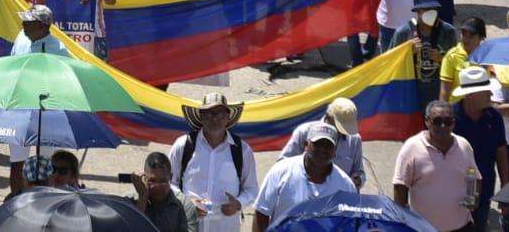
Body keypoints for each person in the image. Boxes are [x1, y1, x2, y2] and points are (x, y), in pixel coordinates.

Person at [168, 93, 257, 229]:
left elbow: (252, 189)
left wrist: (238, 203)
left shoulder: (242, 150)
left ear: (228, 118)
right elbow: (169, 183)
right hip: (188, 226)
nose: (215, 119)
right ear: (201, 117)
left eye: (220, 114)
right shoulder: (183, 146)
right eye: (209, 114)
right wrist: (187, 202)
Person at [392, 100, 479, 232]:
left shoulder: (464, 145)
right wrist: (402, 221)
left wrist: (474, 197)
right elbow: (400, 186)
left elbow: (474, 176)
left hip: (462, 227)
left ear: (454, 122)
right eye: (438, 121)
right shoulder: (411, 147)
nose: (443, 126)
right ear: (427, 121)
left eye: (448, 121)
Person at [253, 121, 356, 230]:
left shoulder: (346, 185)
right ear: (306, 145)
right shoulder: (280, 171)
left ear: (335, 151)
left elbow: (351, 223)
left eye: (328, 145)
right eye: (318, 144)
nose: (322, 149)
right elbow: (261, 213)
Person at [451, 66, 509, 232]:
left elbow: (502, 153)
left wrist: (505, 187)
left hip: (484, 189)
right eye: (486, 91)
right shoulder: (449, 119)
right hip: (454, 189)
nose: (491, 95)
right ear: (470, 94)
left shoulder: (495, 117)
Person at [390, 0, 458, 111]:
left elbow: (457, 64)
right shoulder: (403, 33)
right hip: (411, 96)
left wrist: (442, 58)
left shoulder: (448, 32)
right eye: (427, 10)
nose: (432, 13)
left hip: (438, 96)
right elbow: (390, 65)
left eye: (434, 9)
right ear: (417, 11)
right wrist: (408, 54)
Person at [278, 99, 364, 189]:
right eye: (340, 126)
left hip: (339, 197)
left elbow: (359, 172)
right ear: (329, 117)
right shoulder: (304, 132)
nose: (343, 131)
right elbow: (282, 165)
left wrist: (355, 181)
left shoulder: (354, 140)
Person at [132, 151, 199, 232]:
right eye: (152, 181)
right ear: (144, 178)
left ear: (170, 177)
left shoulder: (185, 207)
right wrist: (142, 199)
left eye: (163, 181)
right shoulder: (130, 203)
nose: (158, 187)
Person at [440, 17, 488, 102]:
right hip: (457, 111)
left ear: (481, 38)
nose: (465, 38)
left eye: (471, 35)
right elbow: (445, 91)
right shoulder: (451, 56)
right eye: (463, 33)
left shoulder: (488, 56)